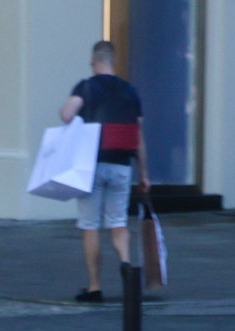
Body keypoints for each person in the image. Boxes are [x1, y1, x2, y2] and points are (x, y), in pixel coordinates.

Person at [59, 41, 146, 303]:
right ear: (114, 61)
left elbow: (66, 115)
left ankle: (95, 287)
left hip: (92, 164)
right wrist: (145, 174)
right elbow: (139, 137)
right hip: (121, 164)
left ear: (93, 61)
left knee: (90, 225)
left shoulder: (86, 87)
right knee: (118, 222)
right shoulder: (130, 91)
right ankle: (126, 264)